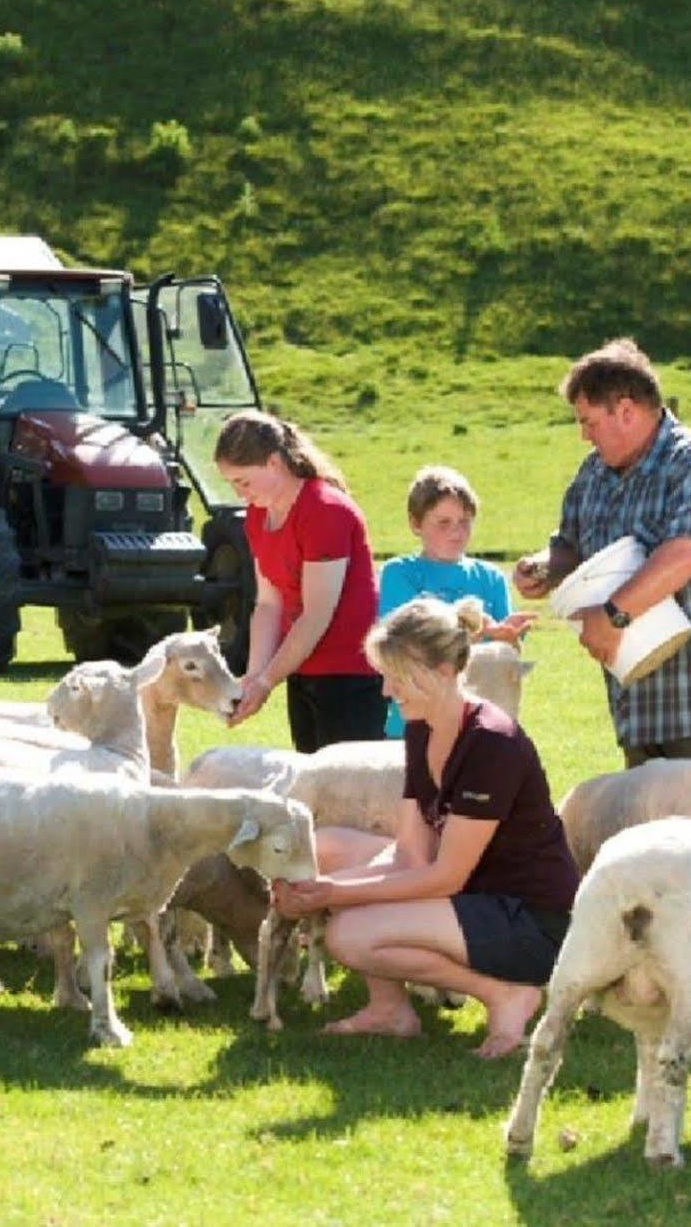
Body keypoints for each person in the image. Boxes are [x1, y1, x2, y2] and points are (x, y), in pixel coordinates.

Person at [271, 597, 579, 1058]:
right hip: (469, 893)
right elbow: (410, 855)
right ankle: (389, 1010)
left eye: (396, 677)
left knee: (348, 934)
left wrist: (331, 895)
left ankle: (504, 994)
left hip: (527, 919)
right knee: (325, 850)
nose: (386, 692)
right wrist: (315, 885)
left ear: (441, 671)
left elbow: (445, 877)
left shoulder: (491, 744)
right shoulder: (422, 727)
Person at [513, 339, 691, 770]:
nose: (584, 434)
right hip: (640, 705)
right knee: (653, 839)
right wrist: (546, 566)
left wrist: (612, 615)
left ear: (626, 411)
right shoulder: (592, 475)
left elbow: (687, 552)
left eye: (589, 422)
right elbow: (571, 545)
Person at [216, 410, 383, 752]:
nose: (238, 493)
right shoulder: (258, 514)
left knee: (347, 792)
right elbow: (267, 604)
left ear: (275, 463)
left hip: (351, 675)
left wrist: (266, 681)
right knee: (313, 787)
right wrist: (252, 678)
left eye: (243, 482)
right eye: (231, 483)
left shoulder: (325, 510)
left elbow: (316, 614)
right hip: (302, 670)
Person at [377, 465, 535, 737]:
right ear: (416, 523)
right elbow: (407, 644)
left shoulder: (491, 577)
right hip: (414, 724)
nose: (456, 532)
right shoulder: (399, 573)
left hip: (480, 724)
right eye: (443, 523)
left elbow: (502, 657)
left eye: (464, 521)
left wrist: (510, 638)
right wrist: (481, 631)